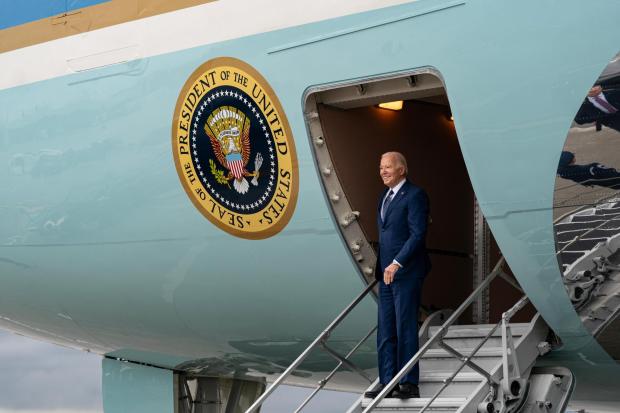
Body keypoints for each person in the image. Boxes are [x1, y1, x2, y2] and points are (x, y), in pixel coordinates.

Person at [364, 152, 431, 400]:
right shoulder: (384, 196)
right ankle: (388, 382)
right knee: (385, 331)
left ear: (402, 169)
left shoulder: (415, 195)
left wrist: (397, 262)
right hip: (386, 275)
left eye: (388, 167)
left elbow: (417, 234)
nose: (382, 171)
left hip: (406, 272)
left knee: (405, 328)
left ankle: (408, 382)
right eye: (381, 167)